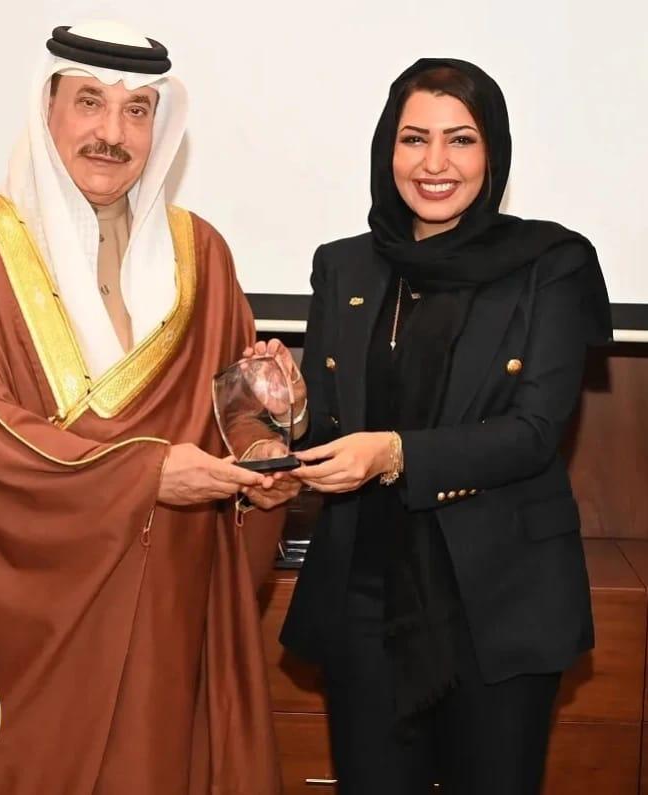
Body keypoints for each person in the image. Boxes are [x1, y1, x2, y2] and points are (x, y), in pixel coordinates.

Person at [0, 20, 298, 795]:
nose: (112, 133)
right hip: (20, 620)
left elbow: (235, 409)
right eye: (89, 102)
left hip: (164, 614)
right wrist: (145, 474)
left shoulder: (201, 253)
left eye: (137, 111)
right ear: (46, 108)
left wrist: (271, 431)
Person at [276, 59, 612, 794]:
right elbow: (332, 432)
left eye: (460, 139)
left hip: (501, 598)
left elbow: (534, 432)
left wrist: (395, 453)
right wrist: (291, 409)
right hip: (366, 593)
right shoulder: (344, 266)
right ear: (386, 149)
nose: (434, 164)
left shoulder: (550, 264)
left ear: (493, 153)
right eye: (413, 139)